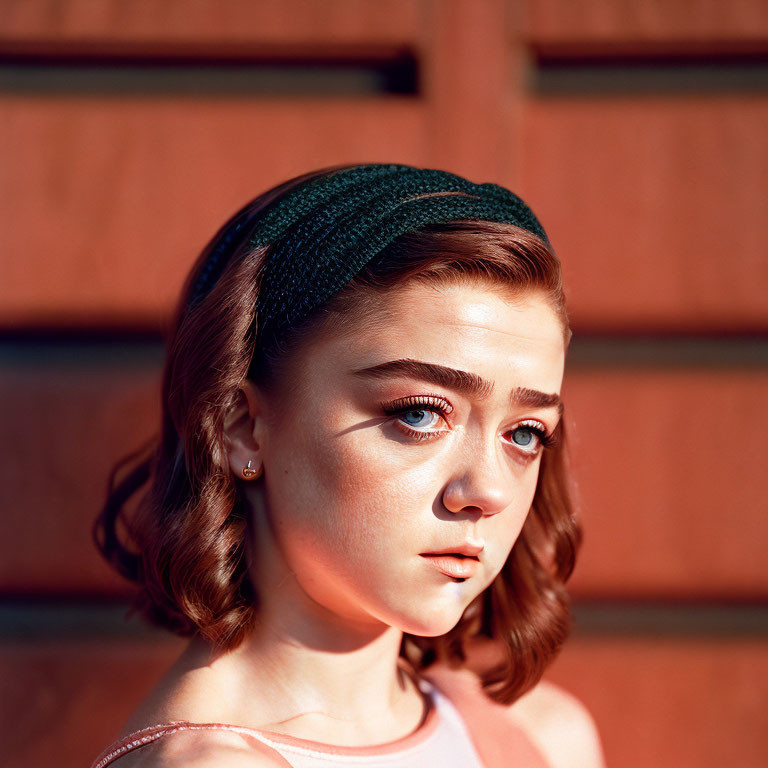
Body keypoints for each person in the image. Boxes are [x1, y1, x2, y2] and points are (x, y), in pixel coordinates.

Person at [90, 163, 606, 767]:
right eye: (418, 413)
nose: (488, 490)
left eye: (524, 432)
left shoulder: (546, 738)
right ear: (239, 425)